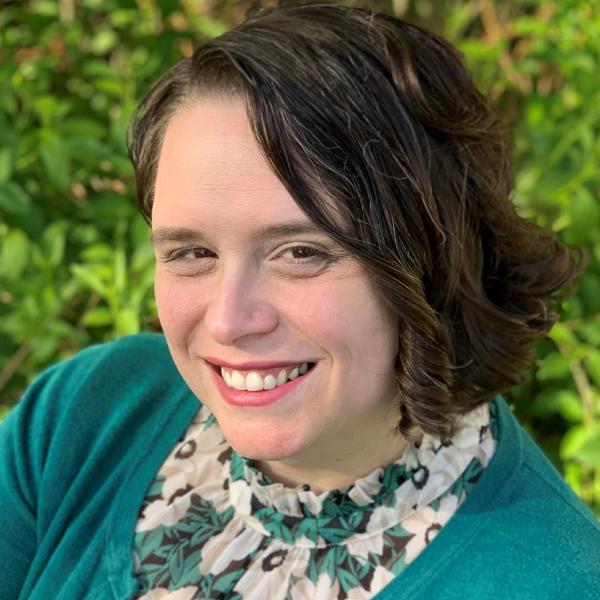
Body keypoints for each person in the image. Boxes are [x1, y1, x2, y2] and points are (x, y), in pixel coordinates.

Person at [1, 3, 599, 599]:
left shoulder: (550, 582)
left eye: (301, 253)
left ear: (433, 261)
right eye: (192, 253)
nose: (231, 320)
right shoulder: (84, 416)